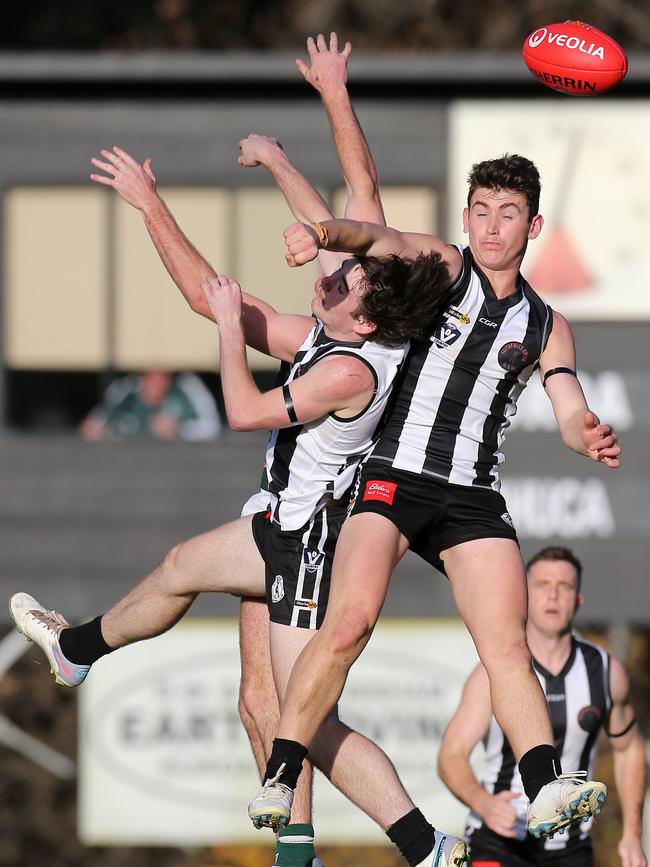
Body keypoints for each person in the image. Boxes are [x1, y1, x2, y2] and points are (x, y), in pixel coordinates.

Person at [10, 38, 470, 867]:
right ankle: (78, 651)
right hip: (277, 522)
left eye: (343, 279)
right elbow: (346, 208)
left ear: (363, 315)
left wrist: (229, 327)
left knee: (306, 719)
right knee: (196, 586)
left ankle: (429, 845)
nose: (328, 275)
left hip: (311, 545)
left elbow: (244, 407)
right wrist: (297, 131)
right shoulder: (350, 321)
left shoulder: (343, 365)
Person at [251, 148, 622, 845]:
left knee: (505, 643)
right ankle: (280, 768)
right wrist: (324, 233)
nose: (490, 226)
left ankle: (544, 785)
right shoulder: (447, 270)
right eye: (480, 210)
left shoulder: (546, 325)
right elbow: (380, 239)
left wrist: (586, 432)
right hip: (394, 475)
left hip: (471, 494)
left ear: (533, 225)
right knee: (350, 621)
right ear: (466, 215)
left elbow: (568, 405)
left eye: (507, 214)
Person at [438, 546, 647, 867]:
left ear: (578, 600)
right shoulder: (491, 675)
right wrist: (484, 803)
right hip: (500, 838)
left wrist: (632, 834)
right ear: (524, 596)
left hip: (571, 845)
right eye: (542, 585)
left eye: (564, 586)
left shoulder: (605, 672)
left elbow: (629, 748)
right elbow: (450, 757)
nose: (552, 595)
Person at [80, 369, 221, 441]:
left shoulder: (186, 387)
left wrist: (180, 430)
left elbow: (212, 426)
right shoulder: (125, 391)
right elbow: (94, 425)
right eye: (151, 377)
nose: (157, 383)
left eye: (163, 377)